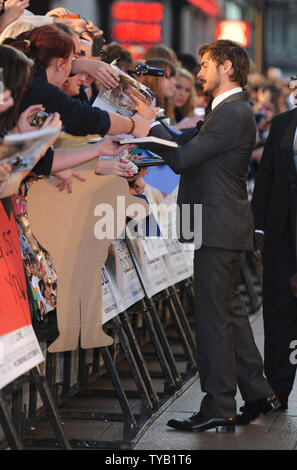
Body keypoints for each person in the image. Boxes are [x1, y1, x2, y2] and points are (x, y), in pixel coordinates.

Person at [148, 39, 280, 432]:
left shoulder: (232, 111)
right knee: (231, 313)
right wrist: (156, 127)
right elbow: (185, 146)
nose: (200, 71)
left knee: (212, 317)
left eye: (205, 64)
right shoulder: (228, 110)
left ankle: (218, 404)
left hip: (219, 227)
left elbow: (182, 159)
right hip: (219, 225)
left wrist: (148, 125)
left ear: (225, 66)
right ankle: (257, 393)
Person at [251, 74, 297, 410]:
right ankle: (277, 391)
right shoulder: (282, 124)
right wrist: (259, 229)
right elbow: (266, 178)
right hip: (281, 235)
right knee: (279, 316)